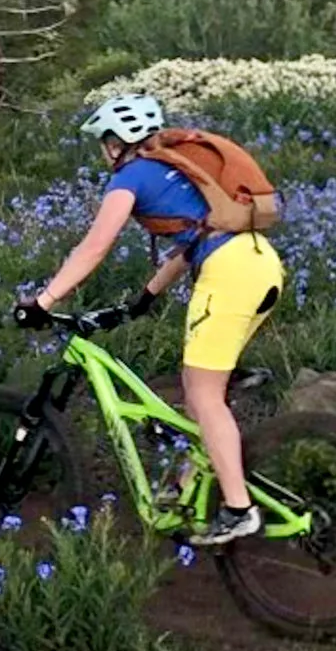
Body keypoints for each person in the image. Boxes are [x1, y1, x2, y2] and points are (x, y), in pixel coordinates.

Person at [23, 92, 286, 548]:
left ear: (116, 142)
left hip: (229, 274)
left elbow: (94, 246)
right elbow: (193, 242)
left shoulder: (131, 175)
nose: (104, 151)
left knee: (203, 395)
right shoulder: (174, 171)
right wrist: (144, 298)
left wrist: (43, 301)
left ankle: (239, 509)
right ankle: (185, 486)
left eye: (105, 141)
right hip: (261, 265)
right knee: (198, 385)